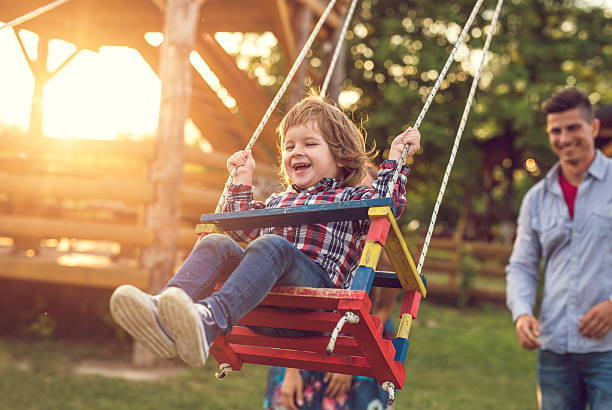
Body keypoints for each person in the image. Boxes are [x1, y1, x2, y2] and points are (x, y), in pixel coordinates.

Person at [109, 96, 421, 370]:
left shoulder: (352, 198)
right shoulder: (277, 201)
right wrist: (241, 180)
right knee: (218, 241)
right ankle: (163, 314)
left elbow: (389, 205)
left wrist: (396, 159)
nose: (296, 151)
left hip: (315, 304)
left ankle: (209, 320)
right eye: (289, 146)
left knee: (272, 245)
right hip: (260, 304)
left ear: (340, 157)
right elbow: (241, 229)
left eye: (309, 144)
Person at [506, 87, 612, 410]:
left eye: (573, 128)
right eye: (556, 130)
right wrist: (522, 313)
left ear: (593, 128)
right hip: (554, 351)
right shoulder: (536, 199)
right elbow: (522, 265)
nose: (564, 138)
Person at [263, 162, 401, 410]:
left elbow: (381, 312)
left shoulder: (382, 257)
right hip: (306, 342)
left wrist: (349, 364)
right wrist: (292, 370)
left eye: (369, 193)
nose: (363, 203)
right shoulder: (322, 246)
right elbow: (292, 311)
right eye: (355, 193)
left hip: (361, 344)